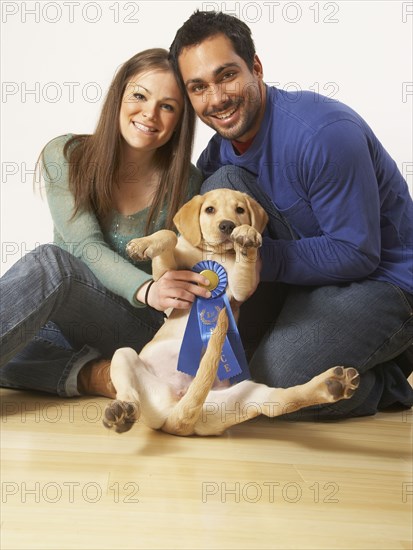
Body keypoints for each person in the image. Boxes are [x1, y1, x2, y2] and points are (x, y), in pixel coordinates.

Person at [168, 10, 413, 419]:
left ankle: (388, 376)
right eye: (198, 87)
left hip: (384, 281)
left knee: (273, 382)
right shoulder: (219, 153)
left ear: (256, 68)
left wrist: (253, 258)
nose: (216, 98)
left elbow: (358, 252)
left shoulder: (324, 134)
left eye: (227, 75)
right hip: (305, 282)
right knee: (232, 372)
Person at [0, 48, 212, 399]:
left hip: (134, 326)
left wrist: (151, 290)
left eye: (168, 106)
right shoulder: (66, 154)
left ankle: (119, 367)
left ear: (180, 120)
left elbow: (186, 258)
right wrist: (147, 286)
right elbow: (86, 247)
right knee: (17, 333)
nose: (150, 113)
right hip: (59, 324)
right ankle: (98, 376)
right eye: (140, 96)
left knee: (52, 264)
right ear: (118, 98)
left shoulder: (187, 182)